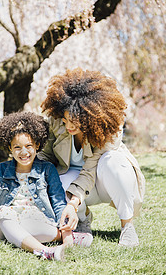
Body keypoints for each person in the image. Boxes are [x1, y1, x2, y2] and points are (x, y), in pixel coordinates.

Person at [38, 68, 145, 247]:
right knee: (55, 179)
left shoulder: (107, 128)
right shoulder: (57, 123)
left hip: (106, 181)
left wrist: (71, 204)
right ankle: (83, 218)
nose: (68, 125)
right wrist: (28, 171)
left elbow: (90, 170)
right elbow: (46, 155)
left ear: (89, 117)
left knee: (113, 161)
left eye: (74, 121)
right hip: (77, 185)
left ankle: (127, 226)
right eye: (65, 120)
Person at [0, 111, 92, 261]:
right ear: (10, 148)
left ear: (37, 145)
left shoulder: (47, 170)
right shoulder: (1, 170)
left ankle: (52, 238)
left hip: (35, 221)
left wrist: (67, 237)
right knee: (3, 215)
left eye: (28, 146)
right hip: (3, 222)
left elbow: (58, 203)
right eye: (17, 147)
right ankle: (46, 251)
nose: (24, 152)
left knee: (26, 227)